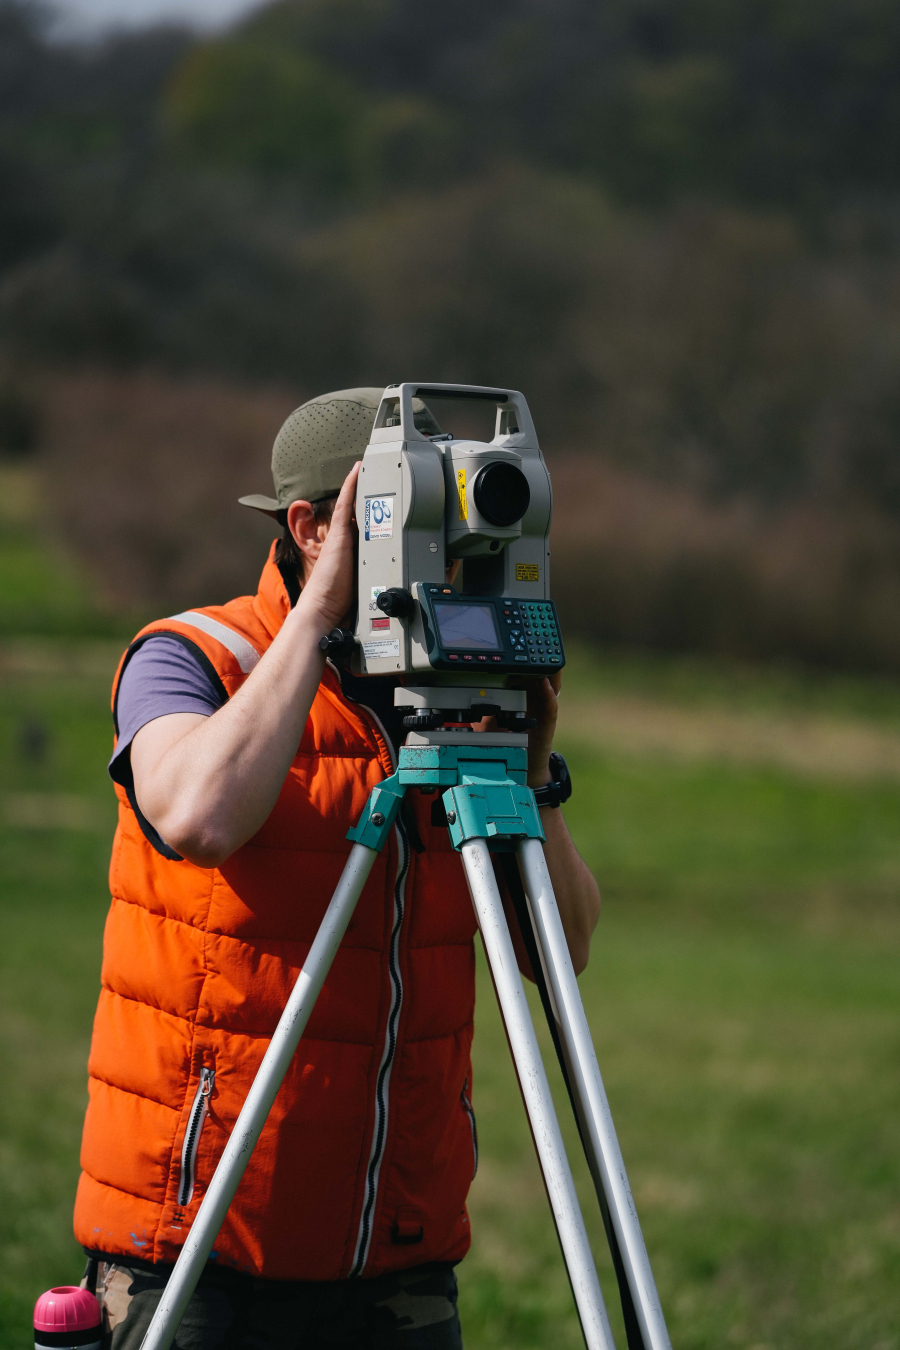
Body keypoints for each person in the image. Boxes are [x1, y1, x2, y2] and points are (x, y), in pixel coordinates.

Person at [74, 388, 600, 1348]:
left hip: (398, 1252)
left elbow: (559, 951)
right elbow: (197, 816)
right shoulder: (193, 655)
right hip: (204, 1243)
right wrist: (319, 615)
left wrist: (529, 778)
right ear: (312, 526)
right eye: (415, 515)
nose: (449, 548)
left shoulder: (450, 695)